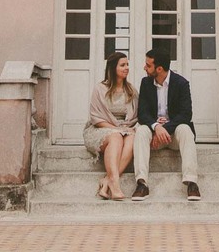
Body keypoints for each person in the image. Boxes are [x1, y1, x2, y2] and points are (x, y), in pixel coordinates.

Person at [131, 48, 201, 201]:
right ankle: (142, 183)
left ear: (159, 69)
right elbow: (142, 113)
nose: (145, 68)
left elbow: (186, 114)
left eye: (148, 65)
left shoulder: (181, 83)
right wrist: (156, 127)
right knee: (141, 131)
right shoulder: (146, 82)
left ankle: (192, 182)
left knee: (186, 129)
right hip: (153, 135)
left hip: (173, 134)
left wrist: (165, 128)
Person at [83, 51, 138, 200]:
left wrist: (124, 129)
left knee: (132, 138)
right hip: (100, 128)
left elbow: (135, 116)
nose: (127, 68)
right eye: (122, 65)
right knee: (116, 137)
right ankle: (114, 183)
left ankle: (107, 180)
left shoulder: (131, 90)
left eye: (127, 65)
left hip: (124, 128)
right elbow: (96, 118)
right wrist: (116, 129)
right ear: (113, 68)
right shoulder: (100, 89)